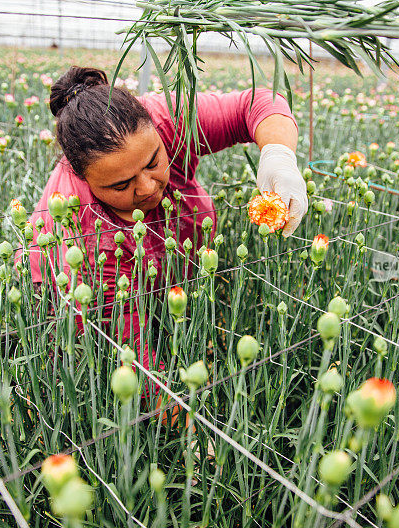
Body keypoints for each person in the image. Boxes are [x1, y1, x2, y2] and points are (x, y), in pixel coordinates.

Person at [24, 66, 306, 375]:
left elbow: (255, 104)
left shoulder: (166, 119)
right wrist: (178, 409)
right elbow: (129, 351)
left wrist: (278, 156)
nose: (147, 188)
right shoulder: (81, 228)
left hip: (169, 279)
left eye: (153, 162)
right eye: (121, 185)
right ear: (83, 179)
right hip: (67, 293)